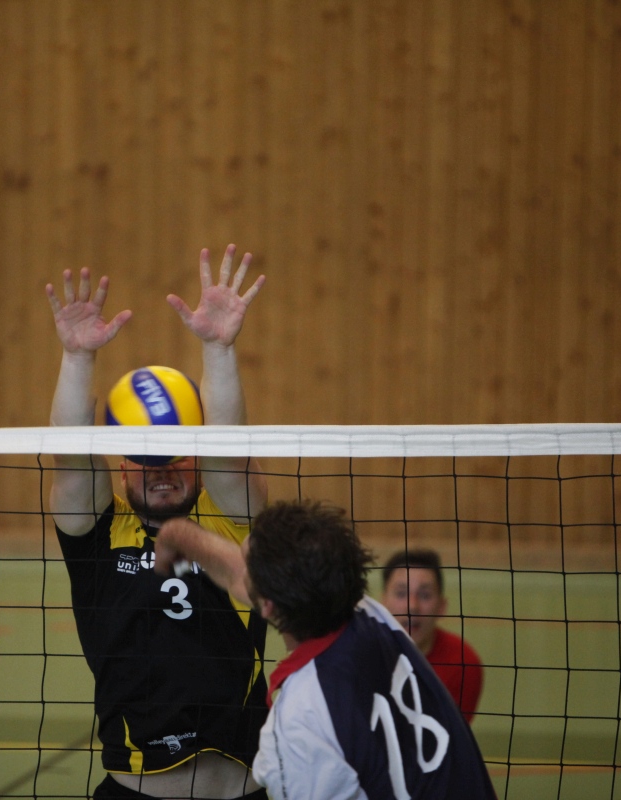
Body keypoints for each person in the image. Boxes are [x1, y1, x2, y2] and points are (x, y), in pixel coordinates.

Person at [45, 245, 270, 800]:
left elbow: (229, 453)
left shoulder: (229, 520)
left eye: (174, 454)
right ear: (122, 466)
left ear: (196, 457)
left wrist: (218, 349)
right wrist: (76, 358)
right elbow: (70, 459)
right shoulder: (99, 535)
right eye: (146, 458)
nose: (162, 469)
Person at [153, 500, 497, 800]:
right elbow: (239, 574)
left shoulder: (297, 721)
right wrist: (177, 534)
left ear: (268, 606)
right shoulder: (370, 614)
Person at [380, 550, 484, 723]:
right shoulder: (362, 654)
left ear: (442, 607)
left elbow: (449, 735)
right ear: (382, 604)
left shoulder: (464, 662)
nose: (412, 606)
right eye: (401, 593)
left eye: (425, 595)